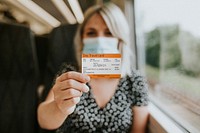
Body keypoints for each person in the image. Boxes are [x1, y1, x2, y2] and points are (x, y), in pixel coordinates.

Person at [37, 2, 149, 133]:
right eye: (91, 33)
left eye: (109, 33)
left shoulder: (135, 81)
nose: (100, 39)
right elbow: (43, 121)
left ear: (121, 39)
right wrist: (59, 107)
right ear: (82, 39)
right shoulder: (70, 72)